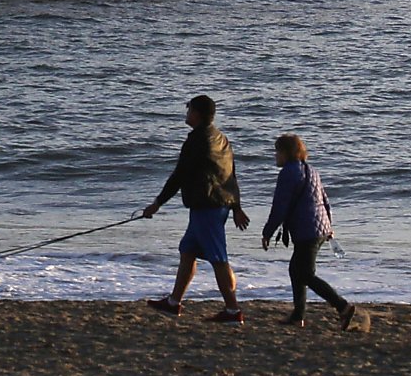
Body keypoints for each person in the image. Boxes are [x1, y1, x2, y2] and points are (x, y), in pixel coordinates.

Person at [142, 95, 249, 324]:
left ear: (197, 114)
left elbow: (179, 175)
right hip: (216, 205)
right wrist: (236, 206)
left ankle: (232, 310)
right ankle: (173, 302)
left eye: (189, 108)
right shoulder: (221, 138)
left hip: (207, 206)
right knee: (188, 251)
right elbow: (231, 175)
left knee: (218, 259)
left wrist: (157, 203)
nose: (186, 112)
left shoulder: (197, 140)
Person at [261, 134, 355, 328]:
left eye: (277, 151)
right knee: (297, 271)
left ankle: (342, 306)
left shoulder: (288, 173)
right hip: (320, 229)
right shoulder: (312, 171)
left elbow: (280, 207)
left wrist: (267, 232)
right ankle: (298, 316)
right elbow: (325, 201)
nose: (275, 156)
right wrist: (329, 226)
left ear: (286, 153)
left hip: (307, 231)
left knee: (304, 274)